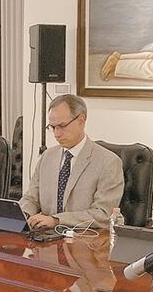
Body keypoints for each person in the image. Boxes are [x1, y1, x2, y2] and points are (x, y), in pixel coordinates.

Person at [18, 94, 124, 229]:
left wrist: (57, 220)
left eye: (62, 126)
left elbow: (103, 214)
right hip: (45, 238)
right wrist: (22, 214)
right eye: (52, 127)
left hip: (85, 241)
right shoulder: (47, 156)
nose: (57, 134)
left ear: (81, 120)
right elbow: (32, 198)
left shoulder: (108, 162)